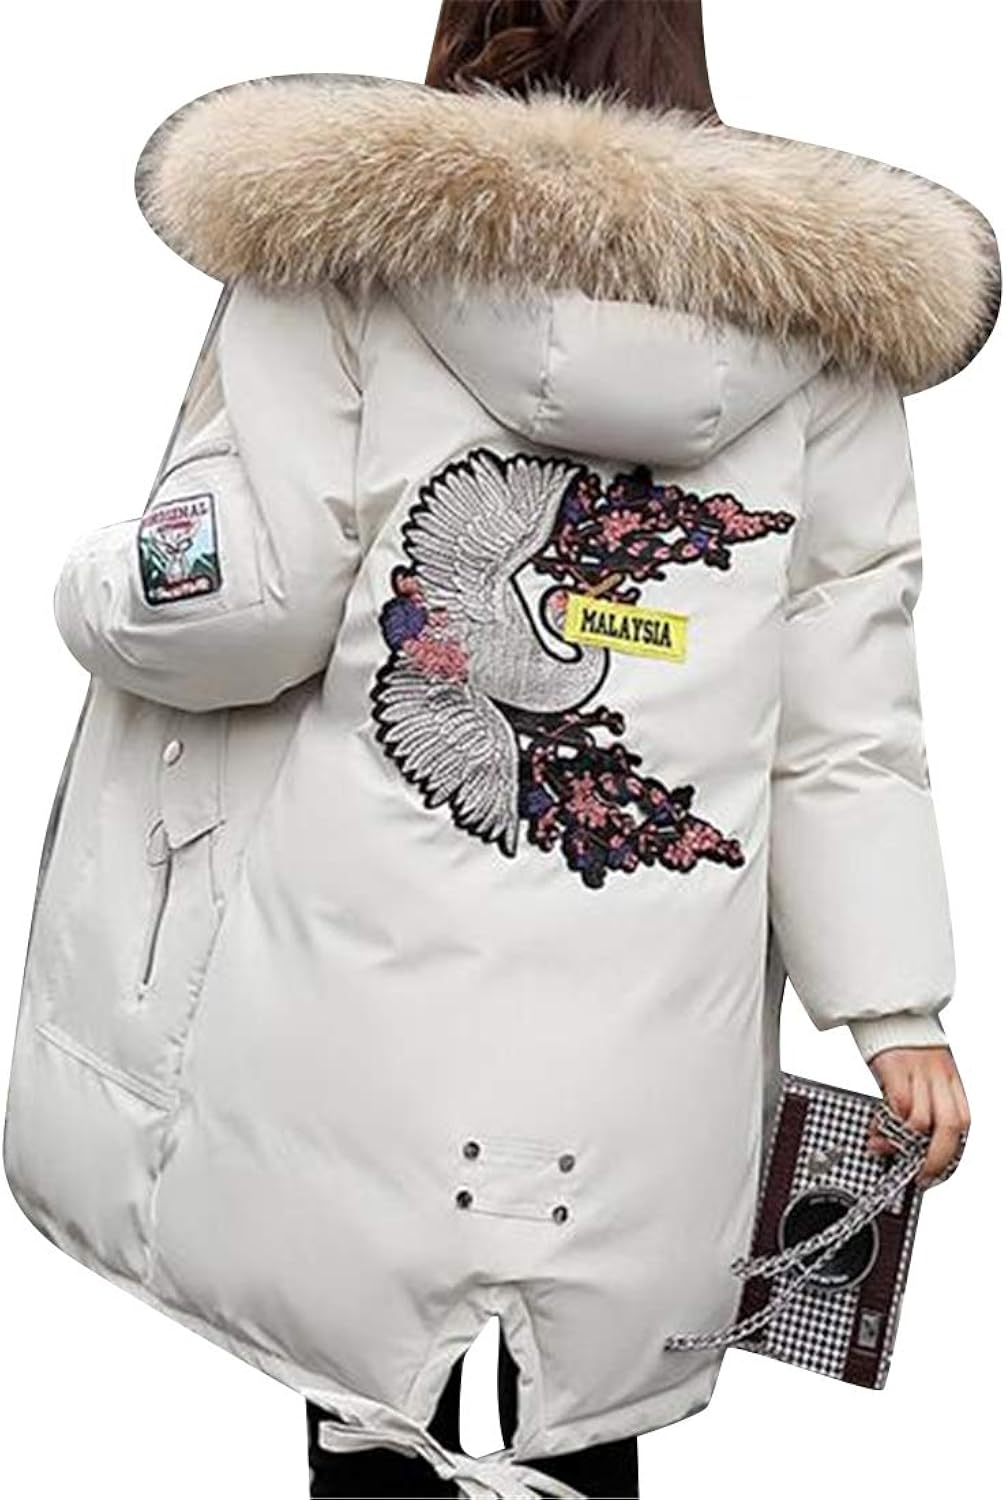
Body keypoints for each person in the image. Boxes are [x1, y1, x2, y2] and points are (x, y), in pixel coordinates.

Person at [4, 2, 995, 1497]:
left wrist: (93, 585)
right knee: (584, 1436)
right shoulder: (823, 341)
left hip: (361, 1000)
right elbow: (847, 728)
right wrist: (893, 1007)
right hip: (650, 1038)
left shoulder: (341, 258)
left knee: (360, 1396)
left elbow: (245, 608)